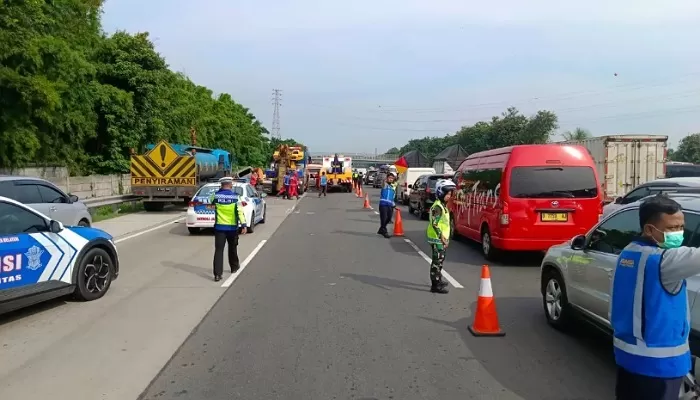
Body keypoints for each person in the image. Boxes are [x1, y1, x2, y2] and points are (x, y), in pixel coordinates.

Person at [610, 194, 700, 400]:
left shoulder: (629, 253)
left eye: (681, 227)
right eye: (671, 228)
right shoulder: (664, 261)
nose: (679, 233)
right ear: (649, 229)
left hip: (627, 358)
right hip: (660, 367)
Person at [210, 177, 247, 282]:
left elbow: (211, 203)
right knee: (232, 248)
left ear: (221, 185)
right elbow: (239, 211)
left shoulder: (215, 196)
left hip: (219, 227)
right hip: (232, 228)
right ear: (230, 185)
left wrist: (219, 192)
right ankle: (234, 267)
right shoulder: (236, 197)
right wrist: (243, 225)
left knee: (219, 250)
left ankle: (217, 274)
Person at [426, 179, 455, 294]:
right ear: (440, 193)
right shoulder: (437, 207)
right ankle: (435, 285)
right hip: (437, 238)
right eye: (447, 194)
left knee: (440, 260)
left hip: (441, 238)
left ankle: (438, 280)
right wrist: (442, 237)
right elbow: (434, 223)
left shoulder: (442, 205)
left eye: (450, 194)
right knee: (437, 262)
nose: (449, 196)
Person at [377, 172, 398, 238]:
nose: (391, 179)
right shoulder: (384, 185)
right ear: (387, 178)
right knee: (384, 218)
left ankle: (381, 229)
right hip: (383, 204)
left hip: (390, 205)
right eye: (389, 178)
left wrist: (394, 205)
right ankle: (384, 231)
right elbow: (384, 181)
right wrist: (386, 175)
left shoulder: (393, 187)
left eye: (392, 178)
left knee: (389, 218)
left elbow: (392, 197)